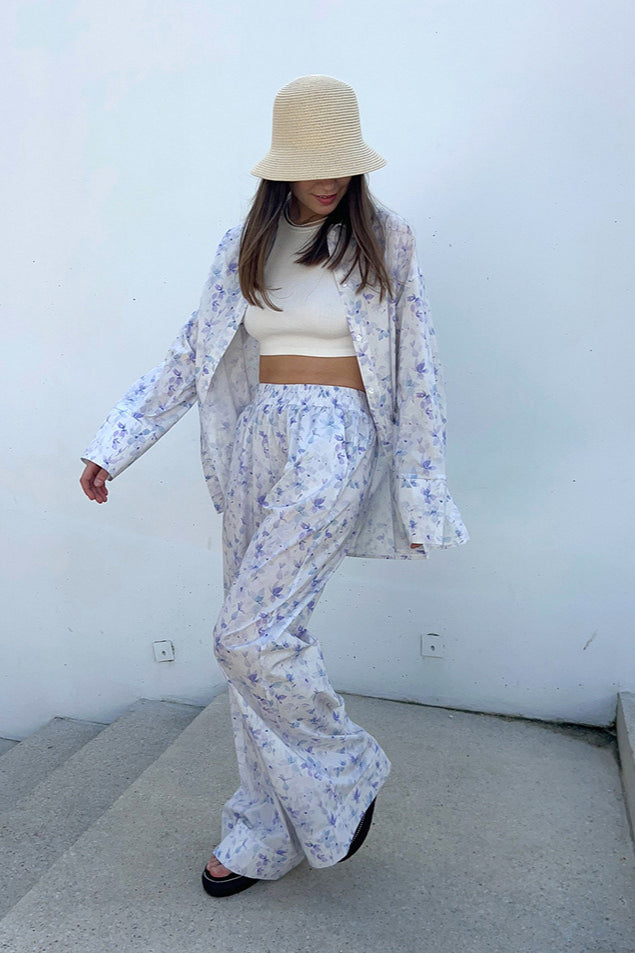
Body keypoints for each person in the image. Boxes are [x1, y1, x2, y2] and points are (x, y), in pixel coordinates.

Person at [79, 75, 468, 897]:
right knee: (254, 651)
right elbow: (191, 354)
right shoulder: (243, 246)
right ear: (280, 165)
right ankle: (262, 829)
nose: (328, 178)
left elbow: (418, 369)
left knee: (248, 635)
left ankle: (345, 764)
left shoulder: (384, 239)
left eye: (340, 161)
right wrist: (113, 444)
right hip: (257, 438)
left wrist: (423, 492)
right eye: (310, 161)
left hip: (337, 438)